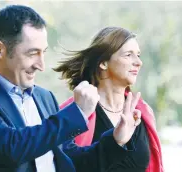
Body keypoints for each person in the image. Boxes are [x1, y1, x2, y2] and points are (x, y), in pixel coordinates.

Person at [0, 5, 141, 172]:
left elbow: (72, 161)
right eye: (32, 53)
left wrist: (116, 141)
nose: (41, 65)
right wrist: (77, 113)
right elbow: (11, 148)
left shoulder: (44, 97)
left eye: (44, 53)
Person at [55, 27, 164, 172]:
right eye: (128, 55)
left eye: (138, 55)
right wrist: (114, 141)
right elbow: (64, 164)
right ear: (103, 62)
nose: (138, 62)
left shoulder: (143, 113)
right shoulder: (74, 111)